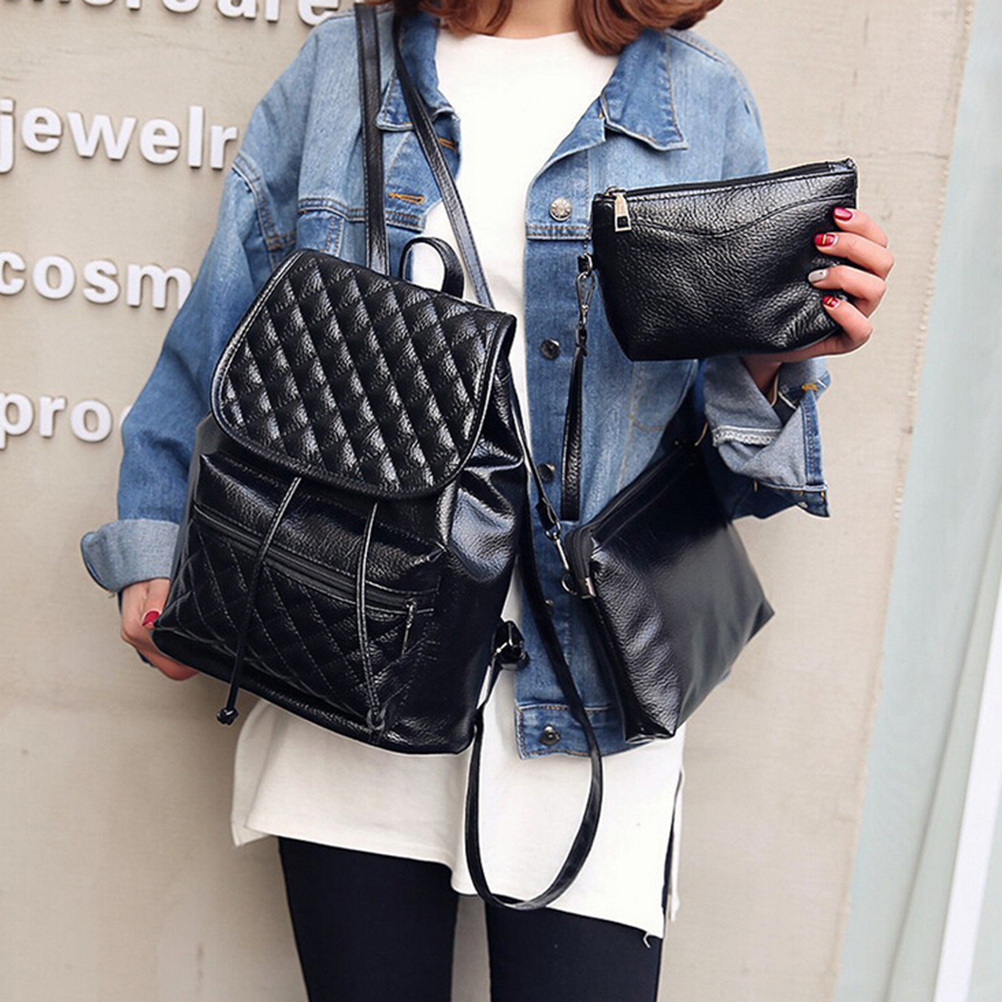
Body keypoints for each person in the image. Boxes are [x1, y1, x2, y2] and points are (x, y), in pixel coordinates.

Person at [80, 0, 894, 998]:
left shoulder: (699, 99)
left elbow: (725, 475)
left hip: (589, 694)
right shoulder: (346, 62)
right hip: (351, 647)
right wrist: (153, 544)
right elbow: (223, 323)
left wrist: (779, 354)